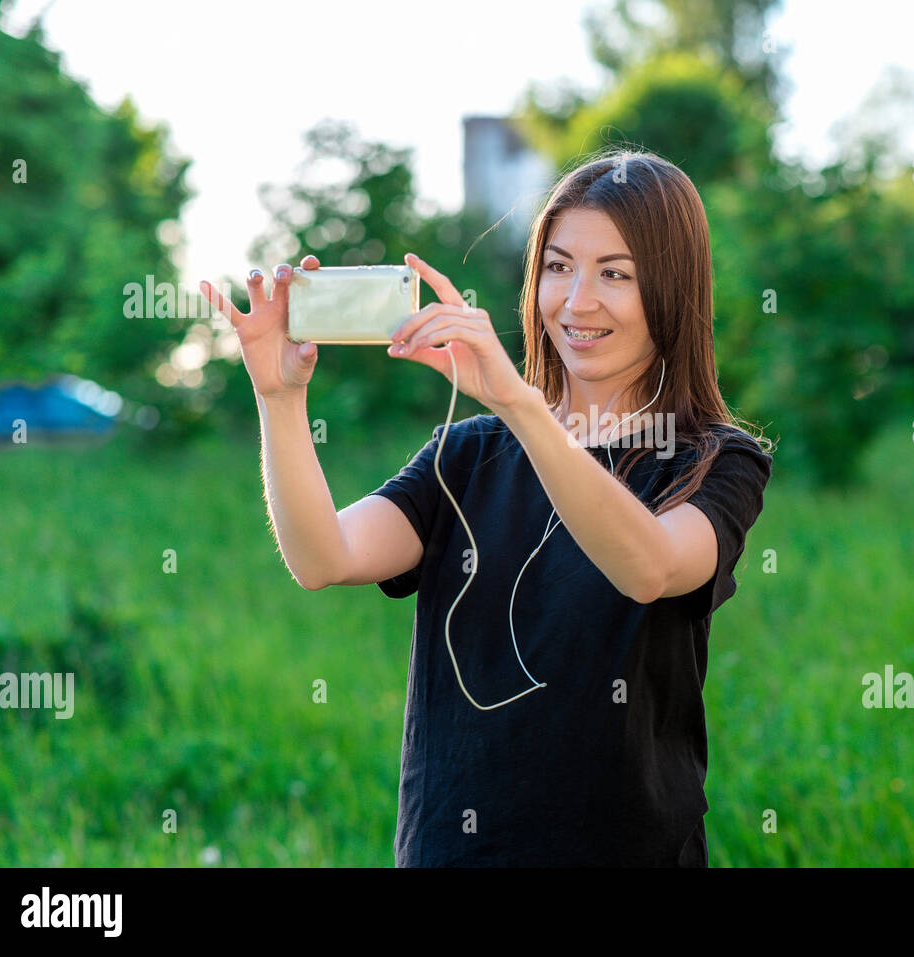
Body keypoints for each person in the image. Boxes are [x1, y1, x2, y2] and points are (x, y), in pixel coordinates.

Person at [200, 150, 773, 867]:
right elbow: (324, 557)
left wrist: (519, 404)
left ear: (673, 287)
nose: (576, 301)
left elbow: (648, 566)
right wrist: (278, 399)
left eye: (615, 274)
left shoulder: (713, 458)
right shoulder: (466, 453)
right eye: (559, 267)